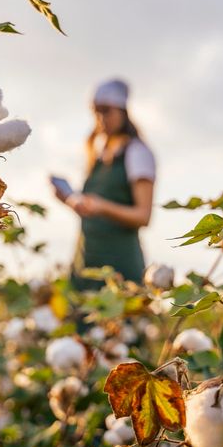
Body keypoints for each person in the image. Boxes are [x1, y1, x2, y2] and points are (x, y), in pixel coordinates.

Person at [58, 79, 156, 290]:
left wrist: (102, 207)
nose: (101, 118)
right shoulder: (100, 155)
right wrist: (71, 200)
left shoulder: (137, 153)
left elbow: (143, 215)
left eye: (106, 110)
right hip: (86, 264)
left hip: (120, 269)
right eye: (96, 111)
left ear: (122, 111)